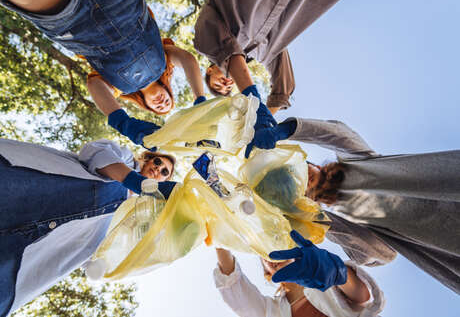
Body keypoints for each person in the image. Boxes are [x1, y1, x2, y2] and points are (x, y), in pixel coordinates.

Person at [249, 117, 460, 294]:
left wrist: (290, 129)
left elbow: (341, 135)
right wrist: (318, 219)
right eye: (297, 189)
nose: (304, 181)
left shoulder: (358, 166)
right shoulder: (344, 220)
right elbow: (381, 253)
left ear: (310, 164)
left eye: (300, 172)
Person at [0, 0, 206, 144]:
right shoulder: (166, 59)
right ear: (168, 88)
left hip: (74, 27)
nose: (163, 104)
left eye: (159, 109)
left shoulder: (118, 89)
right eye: (169, 102)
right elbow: (189, 61)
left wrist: (120, 120)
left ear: (146, 106)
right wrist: (200, 99)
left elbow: (96, 87)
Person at [0, 138, 177, 316]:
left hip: (21, 257)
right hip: (19, 186)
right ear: (148, 159)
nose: (158, 168)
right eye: (157, 161)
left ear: (164, 182)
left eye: (164, 172)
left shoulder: (129, 221)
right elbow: (94, 151)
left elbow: (95, 262)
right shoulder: (124, 159)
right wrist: (135, 181)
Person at [194, 0, 372, 114]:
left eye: (217, 84)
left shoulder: (204, 41)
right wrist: (259, 124)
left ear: (209, 70)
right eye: (229, 87)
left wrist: (249, 93)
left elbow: (223, 47)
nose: (226, 84)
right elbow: (283, 88)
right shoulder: (264, 52)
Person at [214, 231, 384, 317]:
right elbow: (232, 284)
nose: (272, 254)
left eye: (278, 247)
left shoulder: (321, 275)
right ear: (267, 270)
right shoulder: (270, 311)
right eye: (265, 254)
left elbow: (364, 298)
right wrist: (219, 235)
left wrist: (337, 272)